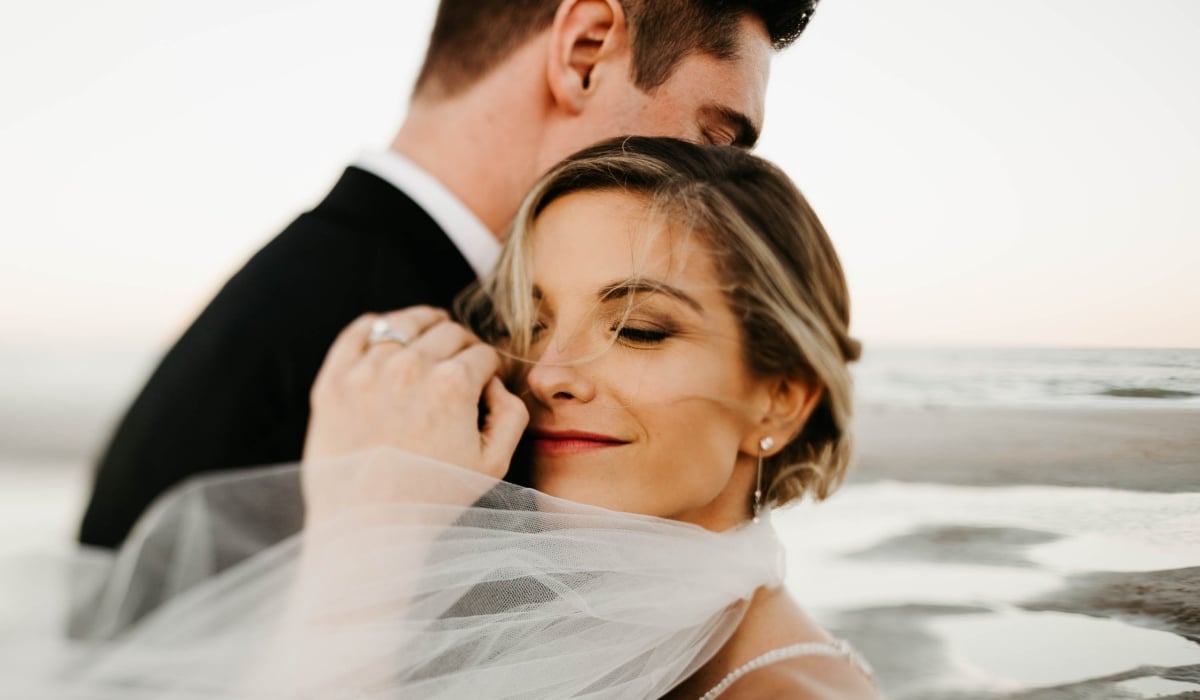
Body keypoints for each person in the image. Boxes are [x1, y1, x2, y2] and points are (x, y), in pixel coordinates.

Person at [6, 138, 872, 698]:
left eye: (638, 329)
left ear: (780, 399)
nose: (551, 375)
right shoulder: (573, 637)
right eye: (530, 325)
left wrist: (364, 534)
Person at [79, 0, 822, 550]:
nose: (713, 189)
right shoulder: (399, 357)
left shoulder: (305, 287)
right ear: (586, 52)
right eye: (714, 139)